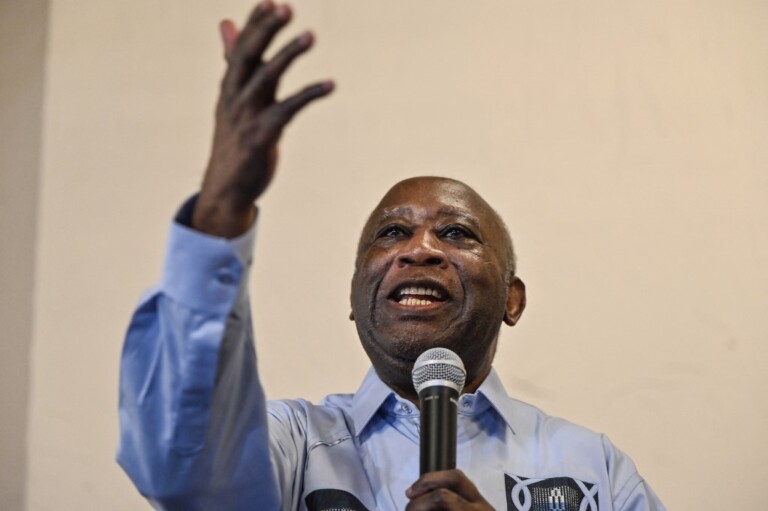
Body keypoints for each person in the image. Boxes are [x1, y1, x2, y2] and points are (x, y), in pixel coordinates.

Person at [117, 2, 666, 510]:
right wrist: (221, 208)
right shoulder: (292, 445)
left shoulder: (595, 468)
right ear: (356, 298)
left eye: (455, 233)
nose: (419, 249)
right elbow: (183, 473)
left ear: (512, 299)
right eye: (391, 233)